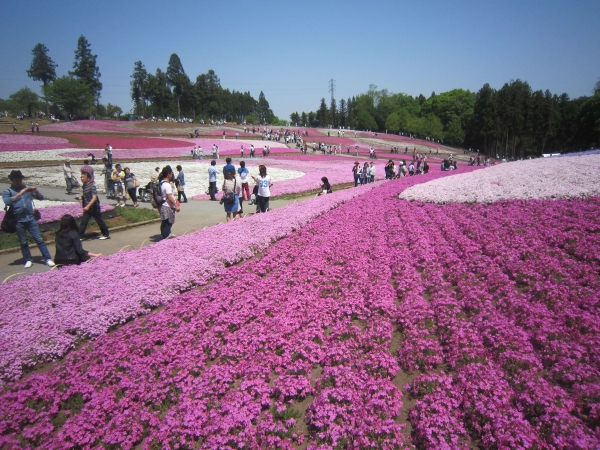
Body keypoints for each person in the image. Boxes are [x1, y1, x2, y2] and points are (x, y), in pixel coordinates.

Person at [2, 170, 55, 268]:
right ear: (12, 180)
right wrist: (19, 194)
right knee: (23, 242)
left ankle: (47, 258)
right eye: (16, 181)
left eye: (20, 180)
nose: (18, 182)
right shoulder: (8, 191)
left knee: (39, 239)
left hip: (30, 219)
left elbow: (41, 198)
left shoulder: (27, 188)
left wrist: (36, 191)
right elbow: (7, 201)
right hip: (18, 221)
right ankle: (28, 259)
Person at [76, 171, 111, 240]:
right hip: (88, 208)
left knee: (99, 221)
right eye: (81, 177)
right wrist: (80, 198)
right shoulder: (84, 186)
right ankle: (79, 236)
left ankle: (106, 234)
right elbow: (87, 196)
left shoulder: (92, 186)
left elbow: (94, 197)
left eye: (83, 177)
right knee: (84, 222)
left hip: (94, 207)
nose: (82, 178)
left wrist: (88, 206)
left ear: (88, 178)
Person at [159, 166, 180, 239]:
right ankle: (166, 237)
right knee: (168, 222)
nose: (172, 175)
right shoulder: (167, 185)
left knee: (165, 222)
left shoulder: (162, 182)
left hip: (164, 205)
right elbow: (169, 196)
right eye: (171, 173)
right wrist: (176, 205)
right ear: (168, 174)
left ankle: (166, 235)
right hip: (167, 206)